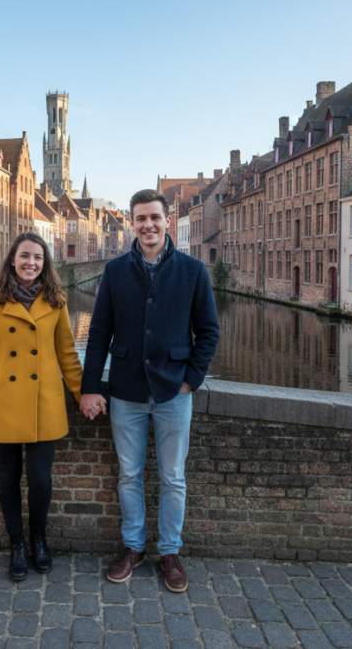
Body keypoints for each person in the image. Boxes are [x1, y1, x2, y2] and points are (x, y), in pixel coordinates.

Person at [79, 189, 219, 592]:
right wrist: (91, 387)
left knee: (173, 477)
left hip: (175, 391)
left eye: (154, 217)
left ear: (167, 221)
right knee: (129, 475)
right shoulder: (115, 270)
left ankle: (170, 552)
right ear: (132, 223)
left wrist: (192, 378)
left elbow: (208, 331)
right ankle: (133, 547)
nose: (148, 225)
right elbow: (100, 332)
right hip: (125, 390)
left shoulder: (193, 271)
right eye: (140, 219)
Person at [0, 232, 84, 581]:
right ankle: (16, 544)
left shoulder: (56, 300)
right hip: (3, 402)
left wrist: (84, 395)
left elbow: (67, 354)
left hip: (44, 402)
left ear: (45, 263)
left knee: (41, 481)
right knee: (7, 479)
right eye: (25, 256)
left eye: (38, 257)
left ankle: (39, 537)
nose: (31, 263)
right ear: (13, 260)